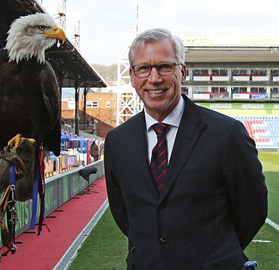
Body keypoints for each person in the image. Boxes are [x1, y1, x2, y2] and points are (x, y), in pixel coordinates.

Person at [104, 28, 267, 270]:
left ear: (182, 71)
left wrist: (216, 255)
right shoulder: (117, 141)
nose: (154, 78)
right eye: (143, 68)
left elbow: (253, 210)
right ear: (133, 75)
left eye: (164, 67)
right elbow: (125, 215)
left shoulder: (226, 134)